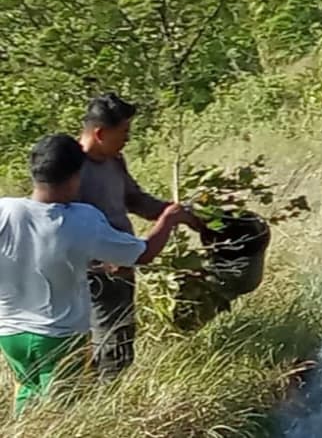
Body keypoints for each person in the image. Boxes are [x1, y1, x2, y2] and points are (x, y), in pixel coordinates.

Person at [0, 135, 194, 416]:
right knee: (61, 415)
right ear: (75, 176)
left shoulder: (6, 210)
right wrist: (168, 219)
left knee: (27, 398)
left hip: (10, 334)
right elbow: (143, 254)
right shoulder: (82, 220)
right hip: (59, 336)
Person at [77, 93, 201, 378]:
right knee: (103, 347)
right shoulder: (70, 168)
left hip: (121, 268)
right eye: (124, 132)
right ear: (100, 133)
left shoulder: (114, 161)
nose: (128, 139)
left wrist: (173, 212)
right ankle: (101, 407)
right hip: (92, 275)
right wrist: (100, 262)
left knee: (120, 344)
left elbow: (134, 199)